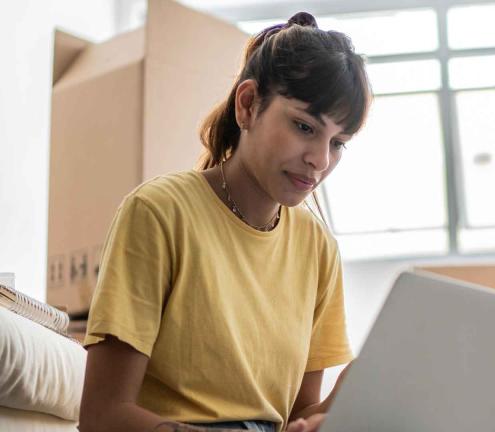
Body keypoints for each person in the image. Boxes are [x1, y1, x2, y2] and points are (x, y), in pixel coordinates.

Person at [78, 11, 371, 432]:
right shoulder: (160, 212)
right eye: (305, 126)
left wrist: (339, 401)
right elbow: (103, 416)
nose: (320, 161)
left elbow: (291, 419)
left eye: (338, 143)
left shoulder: (317, 247)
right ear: (248, 104)